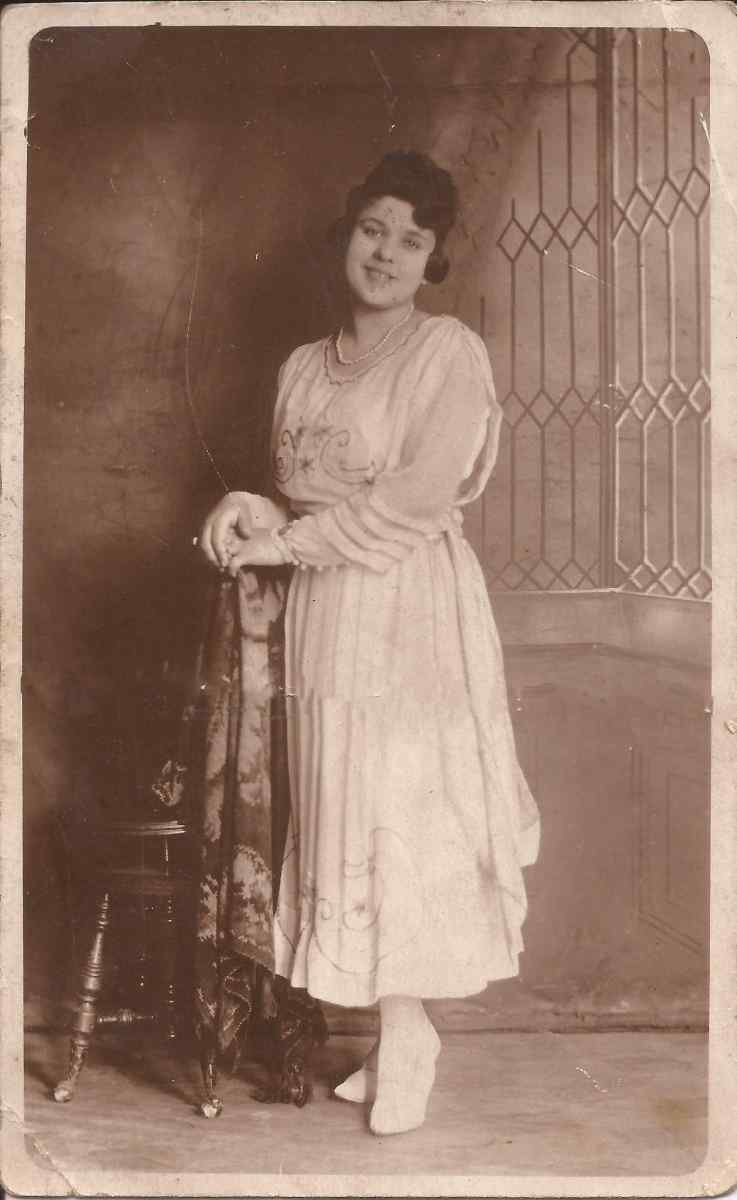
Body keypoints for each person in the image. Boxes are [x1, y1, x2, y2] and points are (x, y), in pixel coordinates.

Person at [198, 150, 540, 1136]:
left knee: (402, 809)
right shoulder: (302, 366)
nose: (385, 254)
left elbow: (415, 498)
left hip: (405, 609)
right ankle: (393, 1035)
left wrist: (286, 542)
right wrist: (249, 506)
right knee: (338, 803)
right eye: (372, 230)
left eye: (411, 240)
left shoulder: (446, 354)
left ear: (432, 259)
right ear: (346, 234)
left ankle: (410, 1032)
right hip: (321, 611)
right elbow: (304, 496)